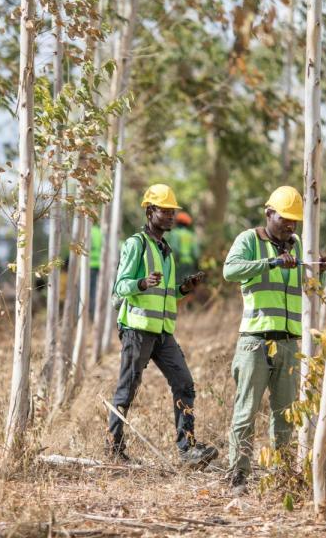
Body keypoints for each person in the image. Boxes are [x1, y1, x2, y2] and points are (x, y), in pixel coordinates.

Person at [107, 183, 218, 469]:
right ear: (150, 211)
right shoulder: (137, 244)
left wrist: (184, 288)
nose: (170, 216)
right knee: (127, 388)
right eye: (164, 210)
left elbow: (165, 295)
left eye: (172, 211)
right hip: (137, 329)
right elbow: (119, 287)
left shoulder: (165, 249)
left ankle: (188, 449)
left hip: (163, 332)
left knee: (184, 383)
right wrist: (141, 283)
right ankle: (113, 448)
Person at [222, 185, 306, 495]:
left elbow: (309, 286)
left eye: (295, 221)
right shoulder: (249, 240)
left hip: (288, 343)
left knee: (285, 415)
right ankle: (238, 477)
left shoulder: (298, 246)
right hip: (255, 342)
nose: (290, 225)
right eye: (285, 218)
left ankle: (281, 475)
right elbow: (230, 270)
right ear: (269, 213)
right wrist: (269, 263)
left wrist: (319, 268)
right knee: (246, 413)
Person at [166, 211, 199, 281]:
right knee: (187, 284)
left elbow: (174, 249)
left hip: (178, 263)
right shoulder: (191, 235)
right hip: (190, 263)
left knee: (177, 283)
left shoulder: (174, 233)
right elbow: (196, 253)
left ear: (177, 222)